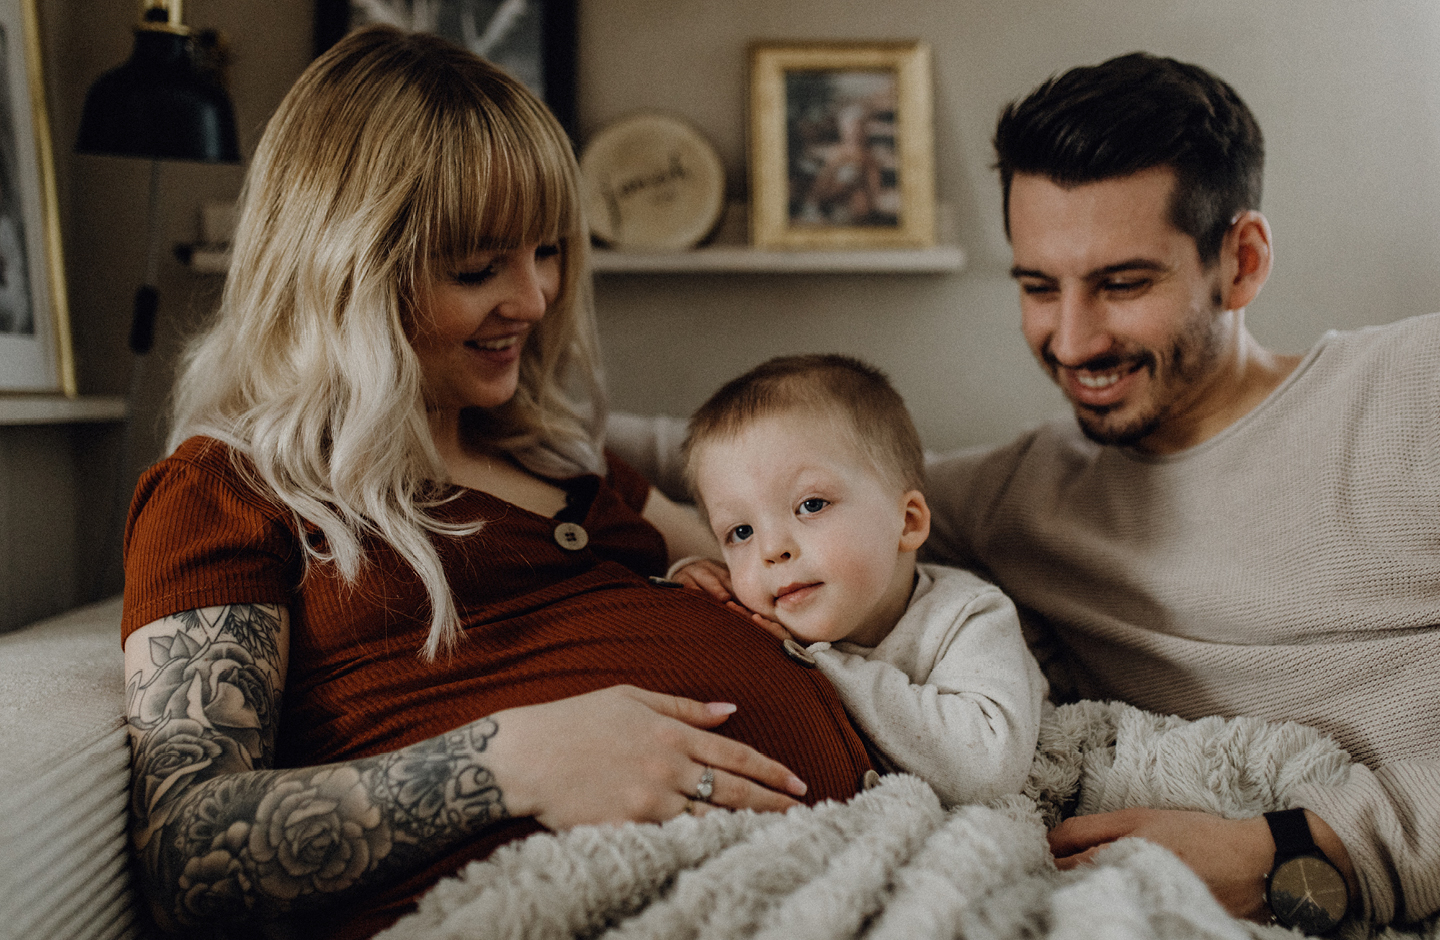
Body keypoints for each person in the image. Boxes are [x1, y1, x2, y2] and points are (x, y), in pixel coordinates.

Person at [119, 27, 874, 940]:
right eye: (478, 268)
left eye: (546, 250)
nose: (533, 298)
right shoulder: (228, 492)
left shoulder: (559, 460)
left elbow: (796, 573)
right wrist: (511, 759)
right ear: (344, 273)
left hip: (847, 859)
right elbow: (186, 856)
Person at [922, 51, 1440, 928]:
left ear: (1240, 261)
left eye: (1123, 284)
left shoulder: (1411, 392)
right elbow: (739, 473)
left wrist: (1292, 853)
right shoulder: (1017, 495)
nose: (1074, 340)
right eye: (1039, 288)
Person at [672, 354, 1047, 807]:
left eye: (811, 505)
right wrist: (687, 594)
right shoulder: (762, 611)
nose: (771, 551)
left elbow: (985, 771)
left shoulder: (968, 615)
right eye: (741, 532)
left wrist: (818, 664)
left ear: (906, 522)